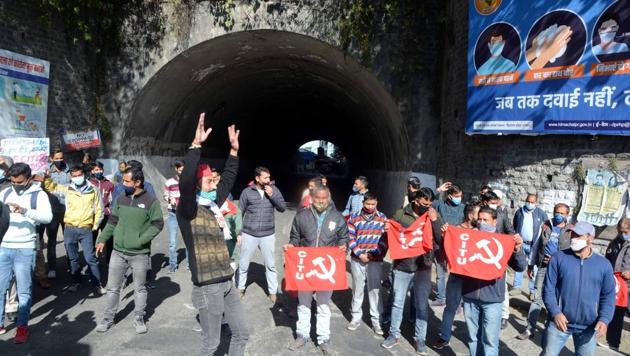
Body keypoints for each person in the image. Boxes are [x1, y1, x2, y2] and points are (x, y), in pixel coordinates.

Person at [175, 113, 248, 355]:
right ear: (197, 184)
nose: (214, 185)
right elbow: (186, 182)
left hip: (226, 278)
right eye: (208, 181)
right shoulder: (188, 208)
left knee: (241, 334)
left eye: (213, 181)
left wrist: (234, 152)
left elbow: (227, 178)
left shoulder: (213, 203)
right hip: (208, 285)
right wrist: (196, 146)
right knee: (211, 344)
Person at [95, 167, 163, 334]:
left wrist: (141, 240)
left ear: (137, 182)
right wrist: (102, 239)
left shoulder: (151, 201)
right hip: (117, 252)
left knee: (139, 288)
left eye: (126, 181)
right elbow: (112, 221)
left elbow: (158, 224)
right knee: (112, 288)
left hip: (139, 254)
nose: (123, 184)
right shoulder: (120, 199)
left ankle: (139, 318)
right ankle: (108, 319)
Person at [284, 184, 348, 354]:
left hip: (325, 270)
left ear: (329, 198)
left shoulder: (338, 218)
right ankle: (302, 335)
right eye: (318, 198)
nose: (321, 201)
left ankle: (323, 338)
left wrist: (343, 246)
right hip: (306, 269)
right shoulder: (301, 216)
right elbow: (295, 237)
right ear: (312, 198)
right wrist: (291, 246)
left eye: (324, 198)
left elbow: (344, 238)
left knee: (323, 306)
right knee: (304, 304)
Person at [381, 188, 444, 355]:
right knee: (397, 302)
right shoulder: (401, 214)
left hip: (423, 266)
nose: (427, 207)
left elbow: (440, 238)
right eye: (424, 204)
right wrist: (386, 229)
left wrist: (435, 220)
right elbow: (390, 235)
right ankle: (394, 334)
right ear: (416, 201)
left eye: (430, 204)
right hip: (402, 266)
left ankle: (420, 338)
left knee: (422, 305)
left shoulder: (433, 214)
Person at [542, 221, 616, 356]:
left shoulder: (604, 265)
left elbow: (608, 296)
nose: (574, 238)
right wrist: (555, 312)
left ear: (590, 238)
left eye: (579, 235)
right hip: (559, 323)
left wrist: (604, 320)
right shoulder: (558, 258)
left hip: (588, 327)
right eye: (573, 234)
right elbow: (548, 289)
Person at [460, 206, 525, 356]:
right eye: (480, 219)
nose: (482, 223)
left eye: (486, 220)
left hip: (493, 299)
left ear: (494, 222)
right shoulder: (469, 237)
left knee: (490, 340)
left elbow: (520, 266)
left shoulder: (504, 241)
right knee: (473, 338)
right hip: (470, 296)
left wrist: (518, 249)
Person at [0, 163, 52, 343]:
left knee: (24, 291)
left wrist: (24, 211)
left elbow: (47, 217)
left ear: (29, 179)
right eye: (12, 181)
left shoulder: (39, 195)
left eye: (19, 182)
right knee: (1, 288)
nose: (15, 184)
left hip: (25, 248)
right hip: (4, 247)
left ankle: (22, 327)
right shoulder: (5, 192)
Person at [44, 165, 105, 293]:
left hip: (85, 229)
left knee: (90, 258)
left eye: (79, 175)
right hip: (70, 229)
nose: (77, 178)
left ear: (84, 175)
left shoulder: (93, 189)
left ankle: (97, 284)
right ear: (71, 177)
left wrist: (94, 226)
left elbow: (100, 209)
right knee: (72, 258)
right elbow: (52, 187)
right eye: (74, 176)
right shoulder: (67, 189)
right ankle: (76, 282)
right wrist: (47, 177)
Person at [517, 203, 572, 342]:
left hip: (561, 270)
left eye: (562, 213)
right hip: (543, 267)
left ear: (567, 215)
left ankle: (549, 328)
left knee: (555, 299)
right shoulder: (546, 225)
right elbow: (536, 246)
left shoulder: (571, 231)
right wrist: (531, 264)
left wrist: (556, 258)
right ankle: (530, 329)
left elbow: (572, 253)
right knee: (537, 298)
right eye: (556, 212)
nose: (558, 215)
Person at [434, 201, 481, 350]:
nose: (479, 218)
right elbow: (444, 249)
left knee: (473, 311)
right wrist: (444, 235)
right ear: (469, 215)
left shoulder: (481, 233)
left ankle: (476, 339)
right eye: (477, 215)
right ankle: (444, 337)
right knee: (450, 308)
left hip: (473, 278)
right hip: (456, 277)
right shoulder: (454, 230)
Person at [237, 166, 286, 303]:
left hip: (267, 234)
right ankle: (240, 288)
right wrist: (239, 232)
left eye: (269, 177)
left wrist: (272, 195)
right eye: (265, 177)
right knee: (243, 264)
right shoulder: (247, 192)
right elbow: (239, 212)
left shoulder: (273, 190)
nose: (268, 180)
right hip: (249, 234)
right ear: (257, 178)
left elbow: (282, 208)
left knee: (270, 265)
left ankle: (273, 292)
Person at [346, 192, 387, 335]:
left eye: (373, 204)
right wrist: (360, 254)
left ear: (377, 203)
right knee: (357, 288)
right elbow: (351, 238)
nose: (370, 207)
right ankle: (355, 317)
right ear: (363, 203)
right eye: (368, 204)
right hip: (358, 259)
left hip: (375, 260)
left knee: (375, 290)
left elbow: (384, 240)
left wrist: (372, 254)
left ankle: (377, 320)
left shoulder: (382, 218)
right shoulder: (354, 217)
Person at [431, 184, 465, 306]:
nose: (459, 198)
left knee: (457, 274)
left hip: (457, 245)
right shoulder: (440, 205)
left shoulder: (463, 208)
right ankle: (441, 297)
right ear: (450, 196)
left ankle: (457, 299)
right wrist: (438, 190)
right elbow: (428, 202)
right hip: (440, 244)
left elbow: (468, 223)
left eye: (460, 196)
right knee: (441, 272)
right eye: (457, 196)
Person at [511, 193, 548, 297]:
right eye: (528, 201)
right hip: (521, 243)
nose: (530, 204)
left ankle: (532, 291)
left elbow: (546, 227)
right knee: (519, 265)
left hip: (534, 245)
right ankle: (517, 287)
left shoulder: (541, 214)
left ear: (536, 203)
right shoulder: (519, 212)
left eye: (532, 202)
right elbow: (515, 225)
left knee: (533, 267)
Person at [602, 218, 630, 352]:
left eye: (625, 232)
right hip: (616, 285)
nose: (622, 234)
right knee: (616, 314)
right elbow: (607, 261)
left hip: (629, 286)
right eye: (620, 231)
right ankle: (613, 343)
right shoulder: (614, 243)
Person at [43, 149, 70, 280]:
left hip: (67, 210)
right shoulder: (46, 171)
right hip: (52, 211)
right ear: (52, 158)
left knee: (69, 240)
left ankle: (71, 265)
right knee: (52, 241)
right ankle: (52, 268)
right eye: (57, 158)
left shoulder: (69, 170)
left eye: (61, 158)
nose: (60, 160)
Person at [88, 162, 114, 263]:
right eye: (96, 170)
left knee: (109, 237)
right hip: (93, 216)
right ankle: (92, 260)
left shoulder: (109, 184)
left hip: (106, 215)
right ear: (92, 171)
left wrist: (109, 211)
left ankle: (109, 260)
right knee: (92, 238)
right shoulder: (89, 184)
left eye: (100, 169)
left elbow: (112, 200)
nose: (99, 172)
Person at [163, 160, 185, 272]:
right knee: (172, 242)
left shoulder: (189, 181)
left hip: (186, 214)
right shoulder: (169, 182)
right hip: (173, 214)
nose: (183, 172)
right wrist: (169, 199)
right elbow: (165, 195)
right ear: (176, 169)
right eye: (181, 170)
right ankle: (173, 265)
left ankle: (190, 266)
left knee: (188, 241)